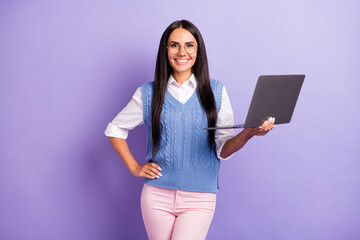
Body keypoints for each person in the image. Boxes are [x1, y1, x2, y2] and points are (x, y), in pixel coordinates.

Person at [105, 19, 275, 240]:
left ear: (198, 50)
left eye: (189, 45)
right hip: (156, 196)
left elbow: (223, 150)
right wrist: (135, 168)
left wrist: (248, 133)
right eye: (174, 45)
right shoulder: (148, 93)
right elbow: (115, 129)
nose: (181, 51)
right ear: (165, 50)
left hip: (200, 196)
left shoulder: (217, 91)